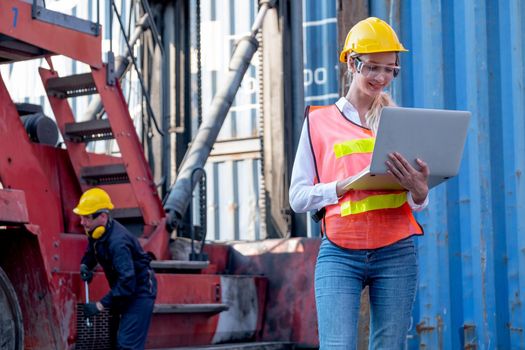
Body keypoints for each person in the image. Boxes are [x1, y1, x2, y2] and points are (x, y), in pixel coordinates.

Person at [289, 17, 430, 349]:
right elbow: (297, 197)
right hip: (340, 252)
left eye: (389, 69)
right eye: (372, 67)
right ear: (352, 64)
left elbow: (416, 201)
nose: (381, 77)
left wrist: (420, 191)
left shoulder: (400, 122)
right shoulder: (318, 122)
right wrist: (342, 185)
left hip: (396, 250)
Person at [75, 187, 157, 350]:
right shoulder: (96, 232)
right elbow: (92, 251)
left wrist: (99, 305)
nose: (82, 222)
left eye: (86, 217)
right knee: (113, 344)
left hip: (139, 292)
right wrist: (86, 265)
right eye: (81, 217)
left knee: (127, 345)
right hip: (124, 292)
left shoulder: (118, 243)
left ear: (103, 217)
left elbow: (127, 281)